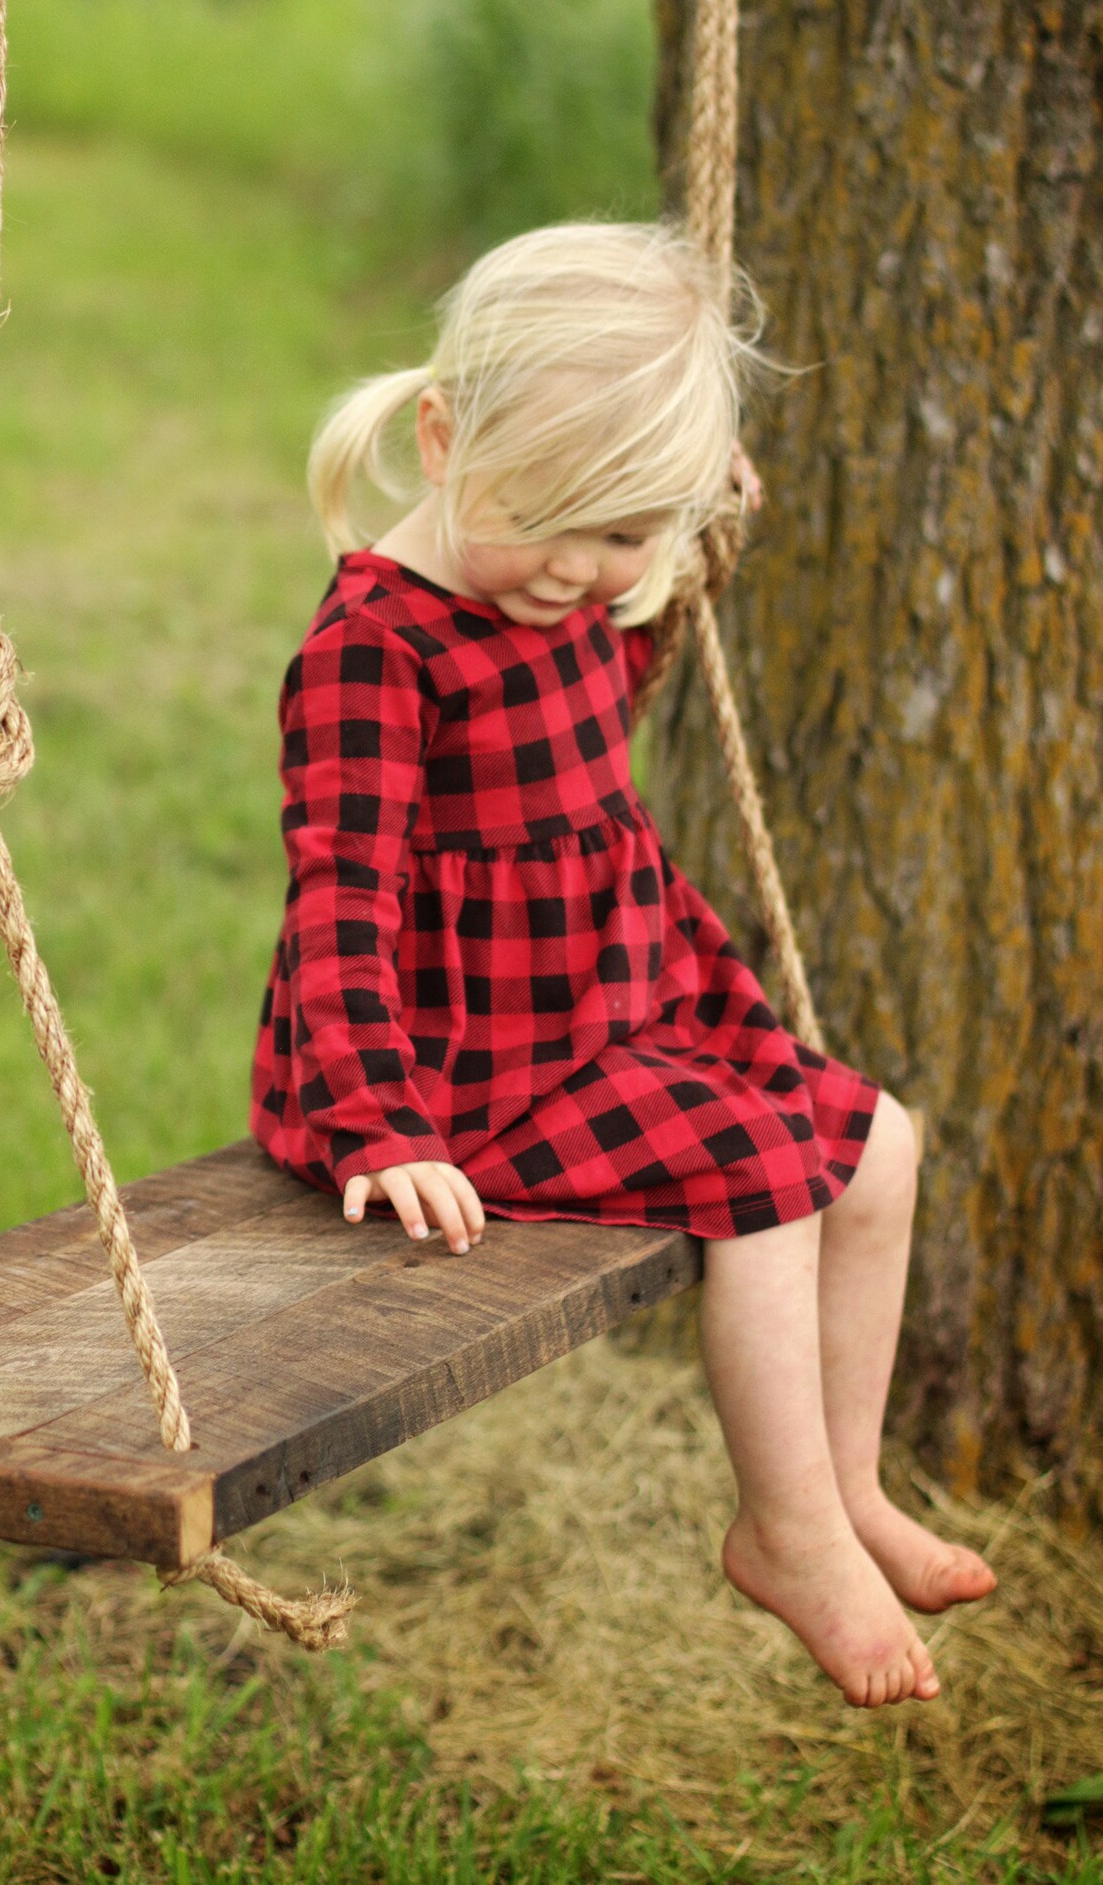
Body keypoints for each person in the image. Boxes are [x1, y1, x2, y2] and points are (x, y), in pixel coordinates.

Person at [250, 223, 996, 1709]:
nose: (589, 576)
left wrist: (689, 522)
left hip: (606, 1006)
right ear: (447, 436)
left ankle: (844, 1491)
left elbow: (599, 679)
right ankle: (781, 1531)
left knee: (882, 1144)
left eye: (628, 535)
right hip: (460, 1073)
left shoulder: (575, 585)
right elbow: (339, 899)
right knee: (766, 1167)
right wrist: (383, 1120)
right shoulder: (376, 650)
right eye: (565, 521)